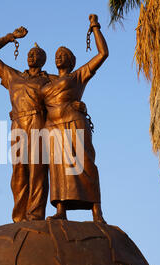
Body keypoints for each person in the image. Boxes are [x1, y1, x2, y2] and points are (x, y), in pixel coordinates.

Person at [41, 14, 108, 223]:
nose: (58, 56)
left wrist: (95, 27)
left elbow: (103, 53)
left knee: (85, 163)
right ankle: (61, 208)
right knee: (58, 168)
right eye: (57, 54)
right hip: (52, 127)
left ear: (70, 60)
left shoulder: (77, 76)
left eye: (63, 54)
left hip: (74, 123)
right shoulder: (47, 80)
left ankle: (96, 210)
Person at [0, 27, 50, 222]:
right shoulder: (13, 76)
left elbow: (68, 89)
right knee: (19, 171)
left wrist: (77, 105)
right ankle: (19, 216)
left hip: (39, 122)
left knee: (38, 170)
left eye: (36, 54)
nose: (32, 55)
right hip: (18, 123)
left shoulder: (49, 80)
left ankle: (35, 214)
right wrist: (9, 38)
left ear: (43, 60)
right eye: (29, 53)